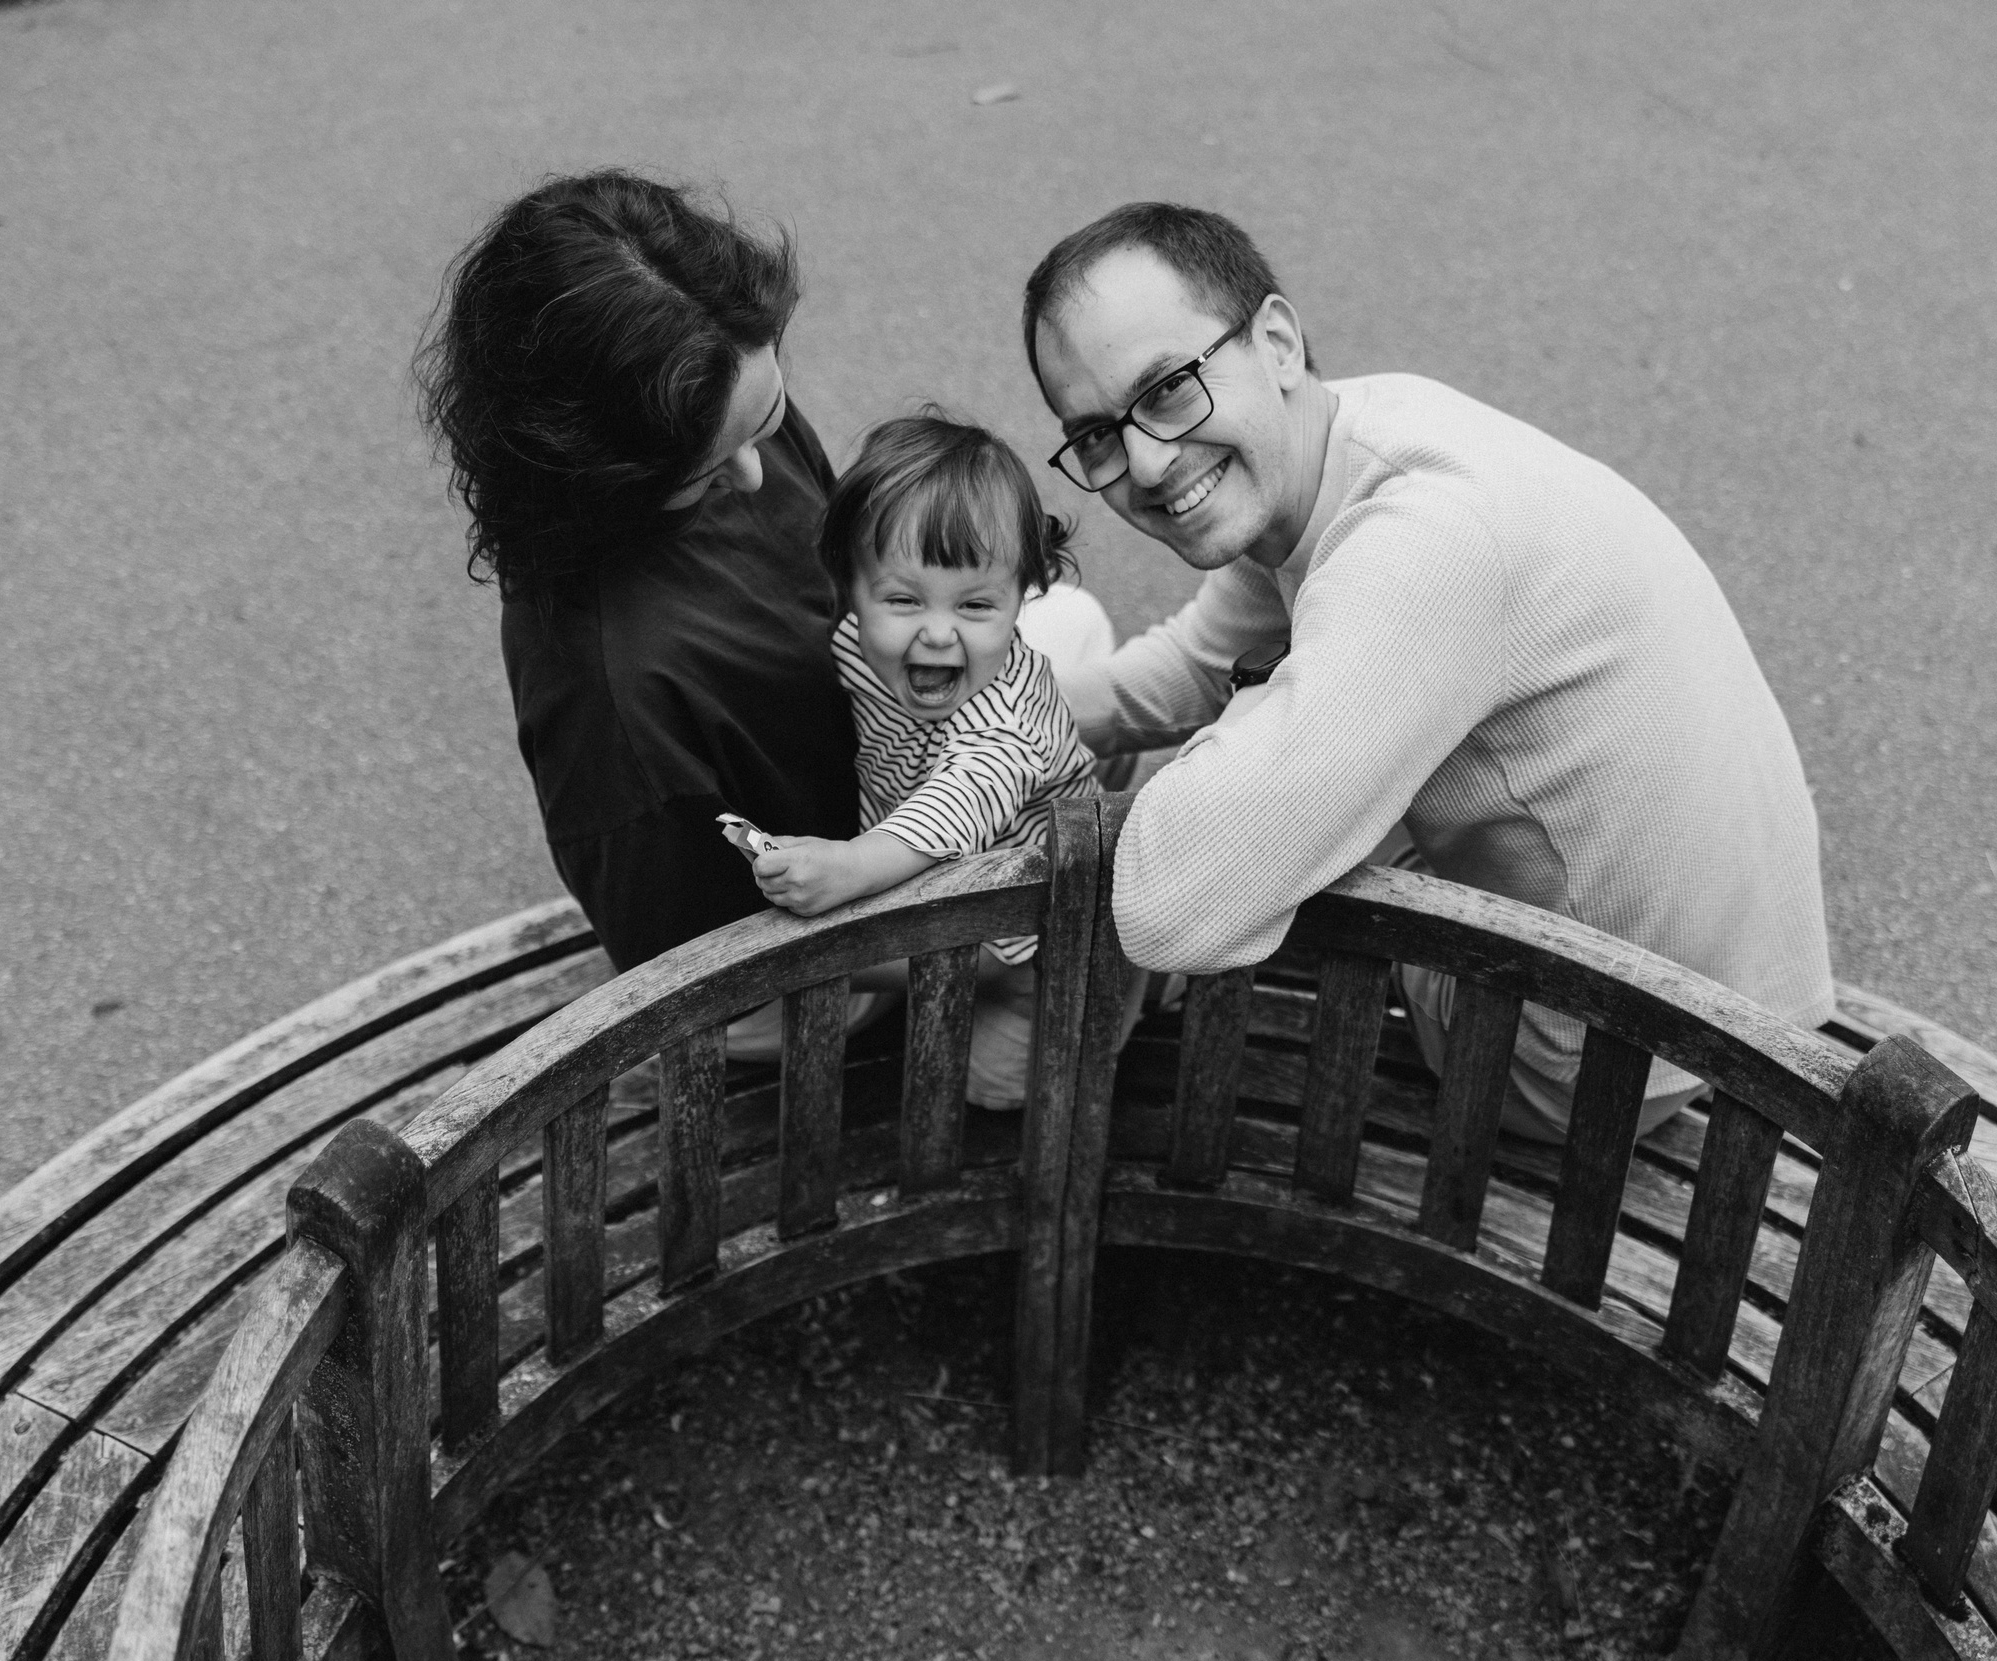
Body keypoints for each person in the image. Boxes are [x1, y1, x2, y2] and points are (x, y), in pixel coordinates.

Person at [1019, 203, 1833, 1139]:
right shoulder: (1343, 435)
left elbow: (1171, 909)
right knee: (1241, 770)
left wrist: (1255, 704)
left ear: (1276, 342)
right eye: (1098, 435)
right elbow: (1198, 662)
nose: (1148, 462)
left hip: (1605, 1057)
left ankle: (1085, 1042)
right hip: (1729, 975)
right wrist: (999, 712)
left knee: (1220, 833)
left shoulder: (1421, 542)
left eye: (1168, 389)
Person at [417, 169, 883, 1059]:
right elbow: (700, 972)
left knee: (1066, 629)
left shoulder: (715, 393)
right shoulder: (610, 696)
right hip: (793, 967)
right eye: (707, 470)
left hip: (883, 772)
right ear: (600, 469)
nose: (756, 472)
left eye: (768, 416)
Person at [748, 414, 1099, 1108]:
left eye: (976, 604)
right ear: (850, 587)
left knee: (993, 1088)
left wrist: (850, 867)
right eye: (904, 599)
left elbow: (956, 803)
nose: (937, 632)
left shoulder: (1007, 724)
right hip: (929, 874)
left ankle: (1144, 981)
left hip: (1024, 923)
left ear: (1023, 594)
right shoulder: (853, 647)